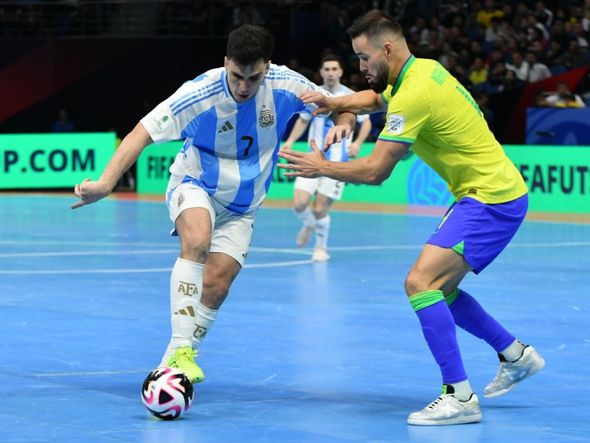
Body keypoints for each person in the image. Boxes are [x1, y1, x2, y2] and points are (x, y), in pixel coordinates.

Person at [279, 10, 545, 426]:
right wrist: (335, 103)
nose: (361, 68)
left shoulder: (415, 94)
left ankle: (458, 395)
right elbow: (375, 99)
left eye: (365, 59)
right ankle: (515, 355)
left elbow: (376, 171)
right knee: (442, 289)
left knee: (420, 283)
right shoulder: (422, 71)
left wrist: (321, 167)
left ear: (387, 49)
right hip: (488, 194)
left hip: (490, 200)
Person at [71, 24, 355, 385]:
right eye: (236, 75)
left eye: (252, 79)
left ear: (267, 67)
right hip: (196, 183)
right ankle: (179, 350)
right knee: (197, 241)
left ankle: (174, 364)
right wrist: (107, 183)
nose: (242, 87)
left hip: (244, 205)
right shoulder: (199, 92)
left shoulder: (286, 84)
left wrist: (343, 122)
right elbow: (140, 133)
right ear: (226, 62)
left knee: (218, 284)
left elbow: (337, 107)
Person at [281, 54, 372, 262]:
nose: (330, 73)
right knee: (299, 205)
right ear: (321, 73)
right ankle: (310, 223)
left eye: (334, 69)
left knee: (320, 207)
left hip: (336, 164)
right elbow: (303, 121)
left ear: (340, 72)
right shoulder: (314, 95)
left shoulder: (350, 96)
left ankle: (321, 248)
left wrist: (357, 143)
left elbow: (365, 122)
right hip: (312, 158)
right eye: (326, 69)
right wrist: (290, 141)